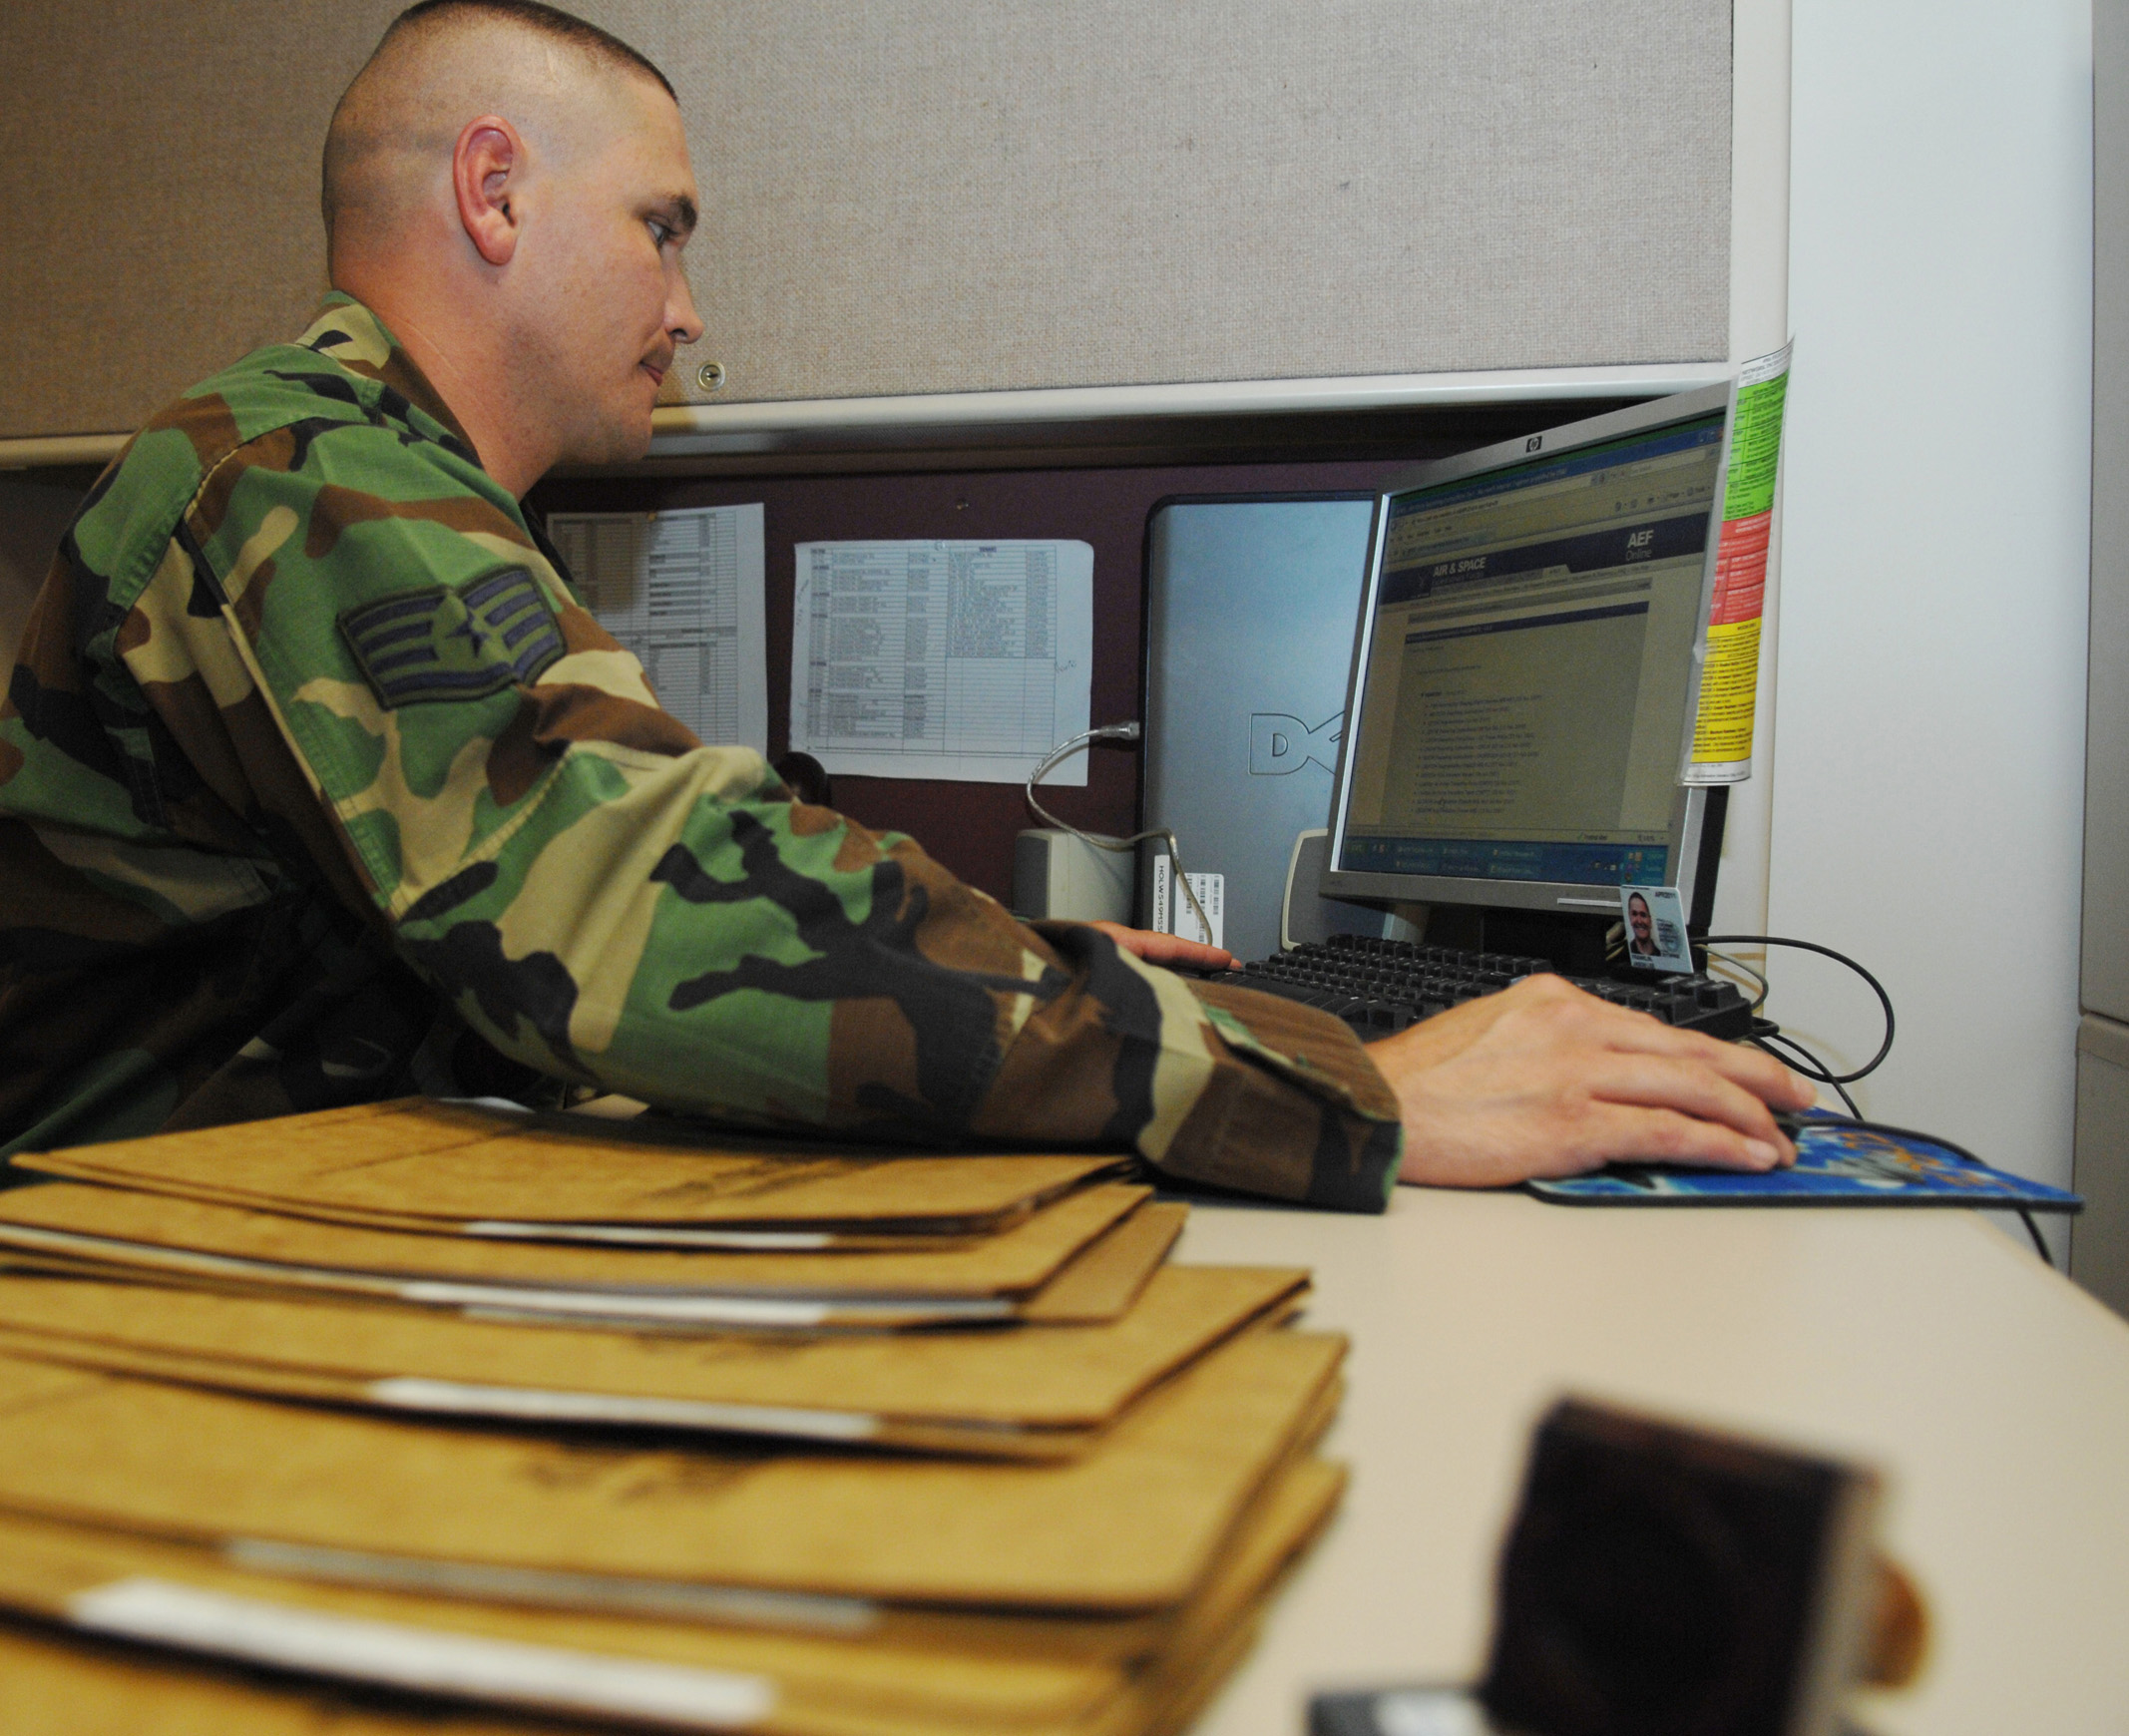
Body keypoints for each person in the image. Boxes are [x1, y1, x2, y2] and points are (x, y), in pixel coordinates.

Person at [0, 0, 1810, 1199]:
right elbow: (652, 907)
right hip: (89, 1290)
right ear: (494, 191)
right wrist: (1350, 1085)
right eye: (665, 226)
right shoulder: (299, 475)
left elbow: (653, 851)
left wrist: (1045, 976)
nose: (687, 304)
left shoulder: (357, 477)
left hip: (241, 1218)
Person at [1627, 893, 1660, 958]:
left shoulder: (1661, 955)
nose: (1639, 921)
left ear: (1650, 920)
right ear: (1629, 918)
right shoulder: (1623, 955)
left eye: (1643, 915)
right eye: (1634, 914)